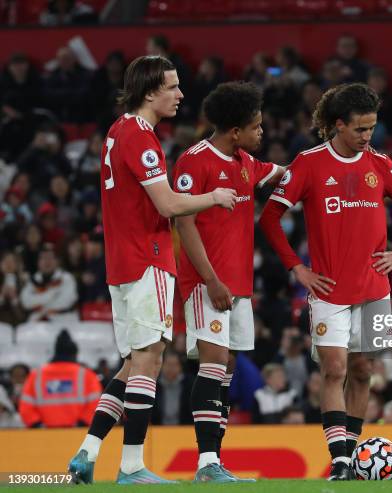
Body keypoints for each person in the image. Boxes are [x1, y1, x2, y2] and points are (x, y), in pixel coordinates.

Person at [67, 55, 237, 485]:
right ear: (149, 92)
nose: (181, 94)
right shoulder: (141, 138)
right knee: (150, 357)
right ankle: (131, 467)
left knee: (131, 363)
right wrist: (213, 196)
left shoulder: (117, 131)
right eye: (172, 87)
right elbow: (168, 204)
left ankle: (86, 453)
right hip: (148, 256)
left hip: (121, 262)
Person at [259, 83, 392, 480]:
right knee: (334, 369)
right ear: (338, 125)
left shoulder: (381, 165)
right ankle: (339, 460)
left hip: (374, 290)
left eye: (372, 129)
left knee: (364, 370)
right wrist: (296, 267)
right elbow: (269, 218)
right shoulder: (309, 163)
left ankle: (351, 454)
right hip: (328, 290)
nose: (368, 137)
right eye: (360, 130)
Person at [173, 81, 282, 483]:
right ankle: (206, 463)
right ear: (235, 130)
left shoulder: (245, 162)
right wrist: (211, 280)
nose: (261, 133)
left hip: (238, 284)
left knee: (228, 366)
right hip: (208, 282)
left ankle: (215, 460)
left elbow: (281, 173)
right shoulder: (194, 161)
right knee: (214, 364)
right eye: (256, 127)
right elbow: (184, 222)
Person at [19, 330, 101, 427]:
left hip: (43, 438)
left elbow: (26, 409)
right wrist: (79, 425)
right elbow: (96, 406)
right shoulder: (87, 375)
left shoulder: (36, 375)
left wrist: (39, 427)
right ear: (74, 353)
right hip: (79, 436)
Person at [20, 244, 78, 321]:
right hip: (37, 320)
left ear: (57, 261)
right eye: (43, 258)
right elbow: (26, 302)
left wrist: (38, 303)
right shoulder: (33, 279)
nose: (47, 261)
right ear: (38, 262)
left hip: (63, 319)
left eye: (50, 258)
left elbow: (65, 302)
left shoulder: (66, 278)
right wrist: (51, 295)